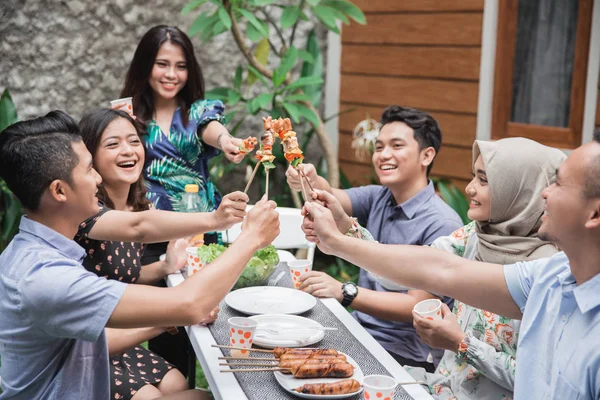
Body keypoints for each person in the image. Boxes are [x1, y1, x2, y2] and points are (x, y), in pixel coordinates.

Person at [0, 111, 279, 400]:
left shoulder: (38, 251)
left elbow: (142, 226)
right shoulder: (46, 278)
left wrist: (217, 221)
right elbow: (188, 304)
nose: (97, 178)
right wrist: (251, 238)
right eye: (88, 169)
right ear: (59, 191)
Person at [302, 131, 600, 399]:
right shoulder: (534, 266)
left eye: (484, 180)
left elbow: (533, 378)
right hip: (439, 388)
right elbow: (428, 270)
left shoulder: (551, 268)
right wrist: (344, 232)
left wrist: (462, 343)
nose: (546, 192)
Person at [287, 105, 463, 370]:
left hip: (404, 355)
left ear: (426, 156)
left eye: (396, 146)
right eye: (379, 147)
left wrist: (344, 292)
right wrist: (309, 179)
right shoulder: (380, 196)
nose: (384, 155)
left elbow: (418, 305)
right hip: (357, 330)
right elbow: (330, 196)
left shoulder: (442, 223)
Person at [116, 25, 247, 373]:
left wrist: (227, 141)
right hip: (148, 228)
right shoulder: (127, 115)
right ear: (145, 66)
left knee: (212, 316)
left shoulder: (198, 111)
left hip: (199, 229)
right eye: (162, 64)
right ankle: (175, 386)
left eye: (181, 66)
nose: (172, 74)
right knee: (167, 329)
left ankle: (234, 380)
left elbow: (212, 129)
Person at [75, 108, 228, 399]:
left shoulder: (138, 205)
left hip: (121, 340)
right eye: (112, 144)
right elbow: (139, 228)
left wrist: (163, 267)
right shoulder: (89, 213)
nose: (128, 151)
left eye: (133, 141)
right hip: (87, 344)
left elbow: (117, 277)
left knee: (178, 384)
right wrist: (216, 219)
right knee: (153, 396)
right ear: (90, 157)